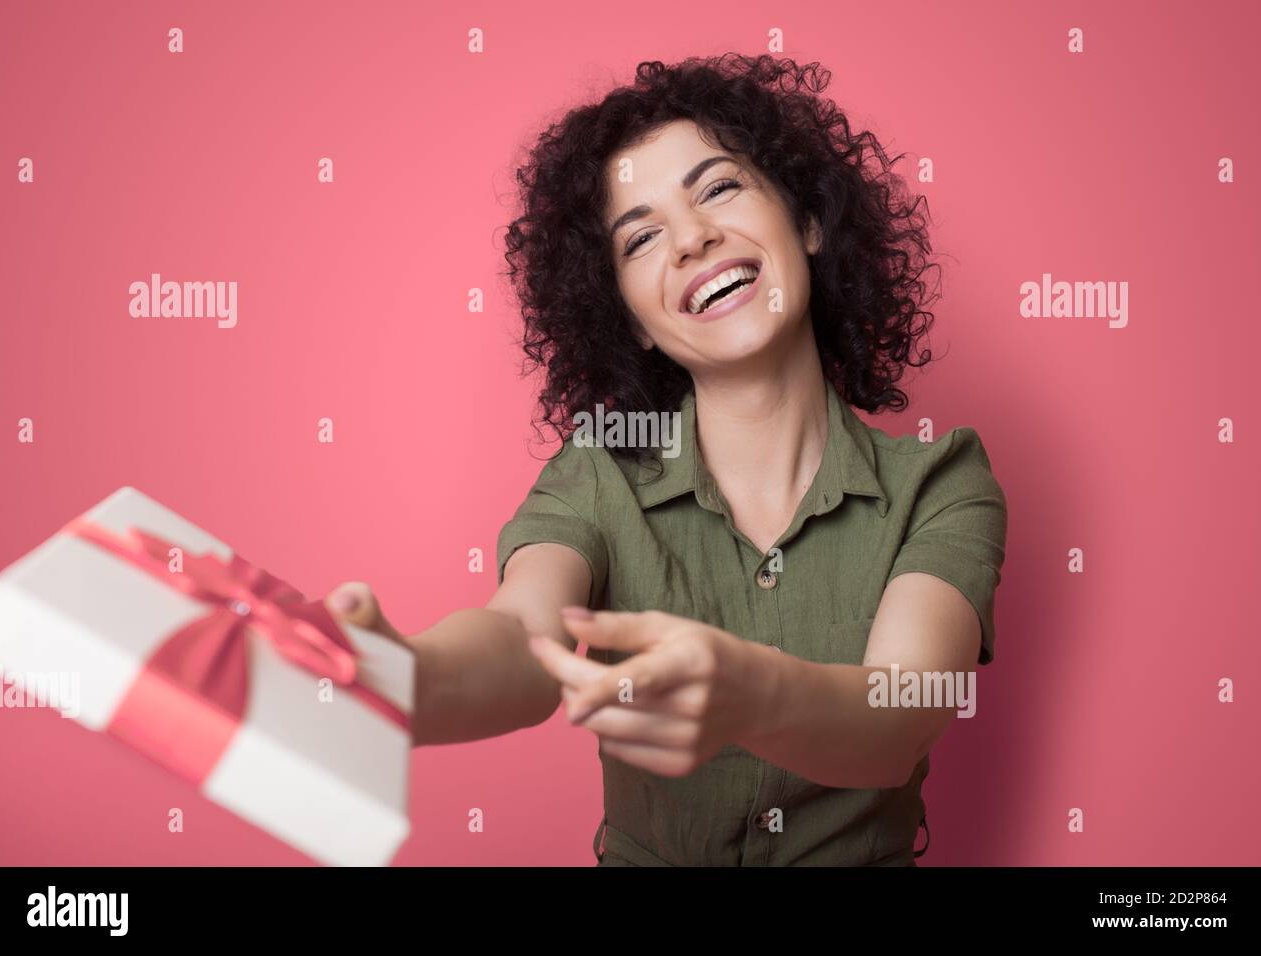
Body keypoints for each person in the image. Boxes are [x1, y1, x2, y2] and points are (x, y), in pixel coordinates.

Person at [326, 53, 1008, 866]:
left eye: (719, 188)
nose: (691, 238)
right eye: (641, 236)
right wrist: (397, 674)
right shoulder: (601, 470)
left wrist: (746, 693)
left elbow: (897, 717)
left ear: (809, 221)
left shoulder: (941, 482)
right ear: (634, 321)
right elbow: (520, 640)